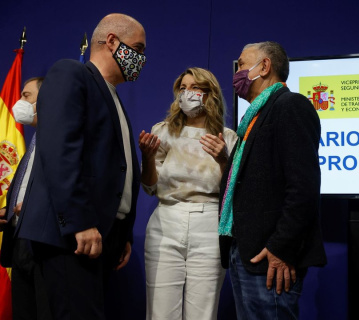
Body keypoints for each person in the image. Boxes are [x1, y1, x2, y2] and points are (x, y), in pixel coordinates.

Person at [12, 13, 145, 320]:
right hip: (71, 236)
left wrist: (122, 235)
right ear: (112, 42)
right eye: (137, 48)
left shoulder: (111, 96)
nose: (141, 58)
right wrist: (78, 221)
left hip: (100, 237)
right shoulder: (70, 73)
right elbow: (60, 150)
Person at [218, 41, 327, 319]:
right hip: (246, 253)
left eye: (242, 64)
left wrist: (280, 247)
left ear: (264, 67)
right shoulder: (253, 118)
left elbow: (303, 187)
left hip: (271, 259)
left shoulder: (290, 106)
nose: (237, 71)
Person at [139, 67, 237, 320]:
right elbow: (150, 186)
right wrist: (147, 159)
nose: (187, 94)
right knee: (160, 312)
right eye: (182, 88)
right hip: (166, 221)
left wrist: (224, 160)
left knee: (202, 313)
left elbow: (235, 191)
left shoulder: (226, 138)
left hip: (209, 222)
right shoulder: (163, 132)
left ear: (209, 94)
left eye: (194, 88)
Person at [0, 77, 53, 320]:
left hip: (44, 246)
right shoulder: (33, 142)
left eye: (26, 95)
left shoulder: (58, 144)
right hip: (19, 242)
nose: (19, 101)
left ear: (44, 102)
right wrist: (9, 211)